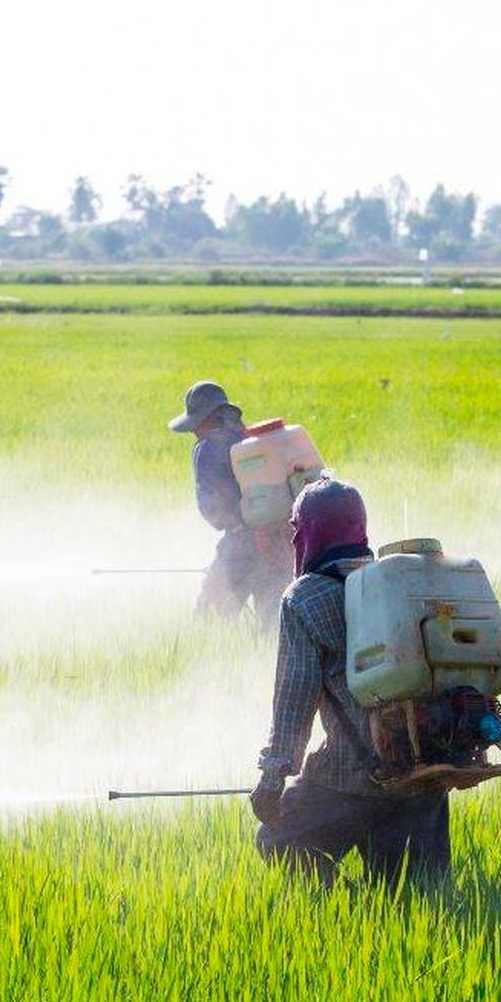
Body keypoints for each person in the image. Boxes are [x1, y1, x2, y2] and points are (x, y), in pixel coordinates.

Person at [249, 478, 451, 888]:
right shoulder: (399, 585)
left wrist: (273, 777)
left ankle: (349, 905)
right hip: (426, 772)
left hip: (348, 777)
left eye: (296, 530)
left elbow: (294, 702)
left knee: (278, 840)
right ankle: (367, 914)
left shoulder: (305, 598)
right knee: (421, 904)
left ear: (309, 532)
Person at [168, 381, 293, 623]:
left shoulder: (206, 448)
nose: (193, 431)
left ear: (206, 419)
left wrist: (227, 555)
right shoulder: (250, 440)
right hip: (280, 541)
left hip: (241, 544)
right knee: (273, 625)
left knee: (209, 619)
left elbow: (212, 508)